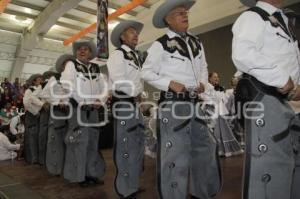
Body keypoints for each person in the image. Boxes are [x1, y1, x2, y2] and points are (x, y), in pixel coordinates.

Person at [142, 0, 221, 198]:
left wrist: (203, 82)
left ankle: (200, 192)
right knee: (176, 155)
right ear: (168, 20)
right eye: (179, 13)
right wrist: (169, 83)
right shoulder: (160, 45)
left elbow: (203, 66)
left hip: (195, 102)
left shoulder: (196, 42)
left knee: (204, 147)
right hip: (174, 103)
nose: (185, 15)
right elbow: (146, 72)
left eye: (185, 12)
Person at [232, 0, 300, 198]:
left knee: (291, 165)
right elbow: (242, 54)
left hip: (290, 101)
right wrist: (281, 79)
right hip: (267, 97)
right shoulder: (253, 16)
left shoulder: (283, 20)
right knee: (270, 167)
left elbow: (290, 59)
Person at [107, 20, 145, 199]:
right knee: (124, 146)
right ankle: (124, 188)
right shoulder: (118, 54)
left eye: (136, 32)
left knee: (136, 144)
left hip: (133, 103)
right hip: (123, 103)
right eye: (131, 32)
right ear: (122, 36)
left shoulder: (135, 56)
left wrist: (140, 94)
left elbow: (138, 80)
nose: (136, 34)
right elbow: (118, 78)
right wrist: (136, 93)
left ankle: (133, 183)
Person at [61, 40, 107, 187]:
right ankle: (78, 177)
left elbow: (104, 87)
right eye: (79, 49)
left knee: (93, 142)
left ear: (90, 53)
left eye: (86, 49)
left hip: (93, 110)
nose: (82, 51)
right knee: (79, 143)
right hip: (78, 109)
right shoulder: (71, 65)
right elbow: (67, 84)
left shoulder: (95, 67)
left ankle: (91, 174)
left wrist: (101, 100)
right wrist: (84, 101)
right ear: (76, 52)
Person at [43, 54, 74, 176]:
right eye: (67, 64)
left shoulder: (76, 79)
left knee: (69, 142)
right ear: (62, 67)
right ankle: (54, 169)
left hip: (72, 114)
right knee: (55, 142)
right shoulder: (55, 79)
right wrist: (58, 101)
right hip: (57, 113)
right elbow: (45, 94)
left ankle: (67, 168)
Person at [23, 74, 44, 164]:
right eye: (39, 80)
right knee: (31, 136)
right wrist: (35, 112)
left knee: (37, 137)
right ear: (34, 81)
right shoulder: (29, 90)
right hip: (32, 115)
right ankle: (32, 158)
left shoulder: (41, 90)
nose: (41, 81)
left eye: (41, 80)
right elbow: (26, 103)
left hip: (40, 115)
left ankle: (37, 157)